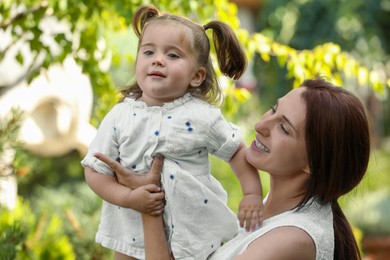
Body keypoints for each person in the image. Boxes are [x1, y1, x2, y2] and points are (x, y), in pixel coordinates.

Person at [96, 78, 371, 259]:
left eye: (283, 128)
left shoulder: (292, 239)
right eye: (273, 109)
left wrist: (147, 202)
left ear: (314, 162)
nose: (262, 126)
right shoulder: (269, 211)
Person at [81, 5, 264, 260]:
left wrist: (252, 193)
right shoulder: (119, 116)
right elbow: (95, 169)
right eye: (148, 52)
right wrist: (130, 197)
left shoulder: (202, 115)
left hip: (194, 233)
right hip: (130, 233)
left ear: (197, 76)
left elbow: (236, 152)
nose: (158, 59)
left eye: (173, 55)